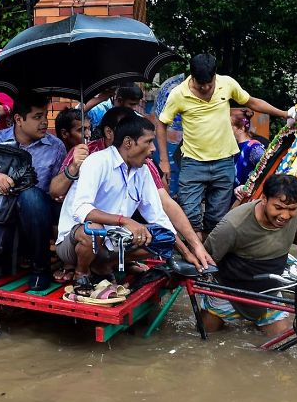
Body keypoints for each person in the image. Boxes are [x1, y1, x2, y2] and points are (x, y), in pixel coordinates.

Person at [56, 115, 210, 292]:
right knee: (94, 228)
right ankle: (81, 273)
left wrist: (187, 253)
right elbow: (81, 209)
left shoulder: (142, 170)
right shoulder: (97, 161)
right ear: (128, 142)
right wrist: (125, 221)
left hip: (112, 243)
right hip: (75, 244)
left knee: (164, 238)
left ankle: (104, 266)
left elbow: (159, 217)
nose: (153, 149)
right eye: (149, 142)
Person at [156, 53, 295, 238]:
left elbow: (252, 102)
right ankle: (198, 258)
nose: (205, 88)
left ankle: (209, 256)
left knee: (217, 219)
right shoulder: (178, 94)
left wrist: (285, 114)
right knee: (190, 218)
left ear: (215, 76)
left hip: (223, 163)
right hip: (193, 163)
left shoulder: (227, 84)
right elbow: (161, 124)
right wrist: (164, 161)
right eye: (200, 84)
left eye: (209, 83)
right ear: (192, 77)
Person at [0, 93, 66, 290]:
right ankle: (6, 254)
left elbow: (57, 192)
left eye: (45, 116)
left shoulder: (55, 147)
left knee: (32, 196)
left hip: (36, 217)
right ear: (18, 119)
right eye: (37, 117)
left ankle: (40, 267)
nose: (44, 122)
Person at [201, 174, 297, 337]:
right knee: (204, 337)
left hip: (269, 290)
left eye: (291, 209)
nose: (285, 216)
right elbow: (206, 258)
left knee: (281, 342)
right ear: (264, 199)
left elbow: (296, 232)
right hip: (228, 291)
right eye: (278, 208)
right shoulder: (233, 225)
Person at [231, 108, 265, 189]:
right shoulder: (234, 147)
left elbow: (266, 170)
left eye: (230, 126)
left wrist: (250, 187)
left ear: (242, 128)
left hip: (247, 197)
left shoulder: (254, 147)